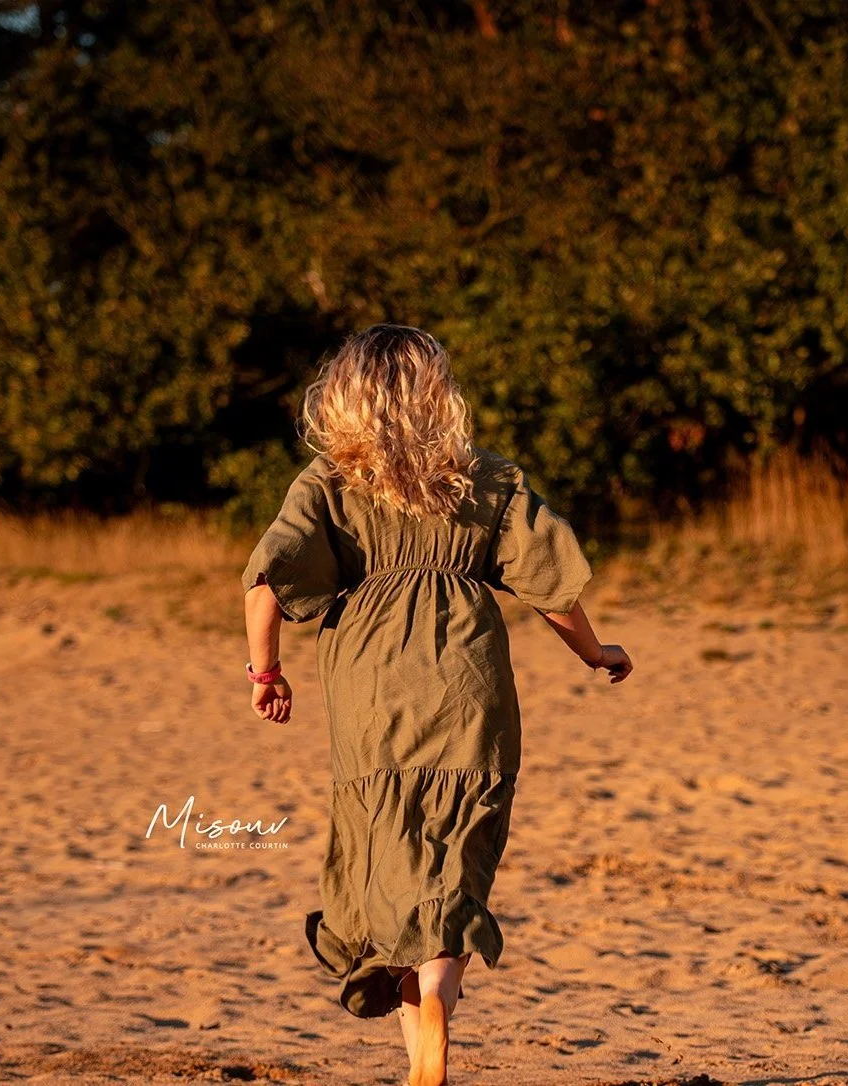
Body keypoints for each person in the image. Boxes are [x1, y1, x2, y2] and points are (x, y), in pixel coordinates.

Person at [241, 324, 632, 1086]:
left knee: (388, 857)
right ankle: (438, 1005)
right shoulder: (485, 478)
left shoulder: (327, 483)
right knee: (453, 867)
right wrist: (596, 653)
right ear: (437, 394)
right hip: (468, 683)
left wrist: (266, 672)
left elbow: (265, 580)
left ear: (343, 397)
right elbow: (550, 585)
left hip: (371, 686)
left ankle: (420, 1041)